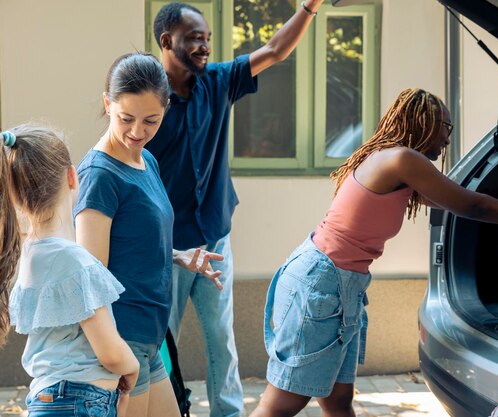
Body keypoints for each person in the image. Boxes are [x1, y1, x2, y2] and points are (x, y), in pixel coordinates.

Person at [249, 88, 498, 417]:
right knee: (285, 401)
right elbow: (471, 204)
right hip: (322, 283)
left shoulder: (396, 166)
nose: (448, 139)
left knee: (338, 399)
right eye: (446, 127)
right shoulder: (402, 158)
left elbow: (454, 202)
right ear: (426, 122)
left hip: (338, 283)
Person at [145, 2, 323, 415]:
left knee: (221, 339)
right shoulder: (148, 98)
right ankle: (163, 409)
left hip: (214, 236)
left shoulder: (218, 81)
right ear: (167, 41)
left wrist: (310, 7)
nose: (204, 45)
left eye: (206, 38)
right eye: (194, 38)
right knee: (159, 345)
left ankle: (227, 412)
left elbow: (276, 50)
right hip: (165, 249)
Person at [73, 52, 223, 417]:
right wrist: (117, 358)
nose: (137, 132)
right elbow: (90, 282)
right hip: (122, 343)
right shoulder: (99, 175)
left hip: (149, 340)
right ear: (107, 104)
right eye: (126, 118)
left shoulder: (145, 159)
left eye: (150, 120)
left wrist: (177, 256)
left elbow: (130, 240)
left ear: (166, 110)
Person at [0, 125, 140, 417]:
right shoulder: (75, 261)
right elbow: (110, 352)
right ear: (72, 177)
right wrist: (133, 366)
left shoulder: (28, 255)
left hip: (44, 398)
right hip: (80, 401)